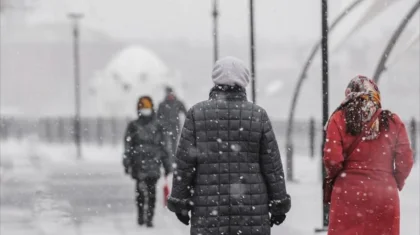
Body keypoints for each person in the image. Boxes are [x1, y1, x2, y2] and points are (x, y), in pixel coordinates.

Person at [167, 56, 291, 235]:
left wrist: (180, 201)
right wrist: (278, 203)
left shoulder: (196, 113)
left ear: (215, 79)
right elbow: (272, 165)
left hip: (208, 209)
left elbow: (185, 164)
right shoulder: (258, 115)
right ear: (244, 81)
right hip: (251, 209)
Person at [323, 75, 414, 235]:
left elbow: (332, 159)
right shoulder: (393, 121)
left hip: (347, 193)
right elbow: (405, 161)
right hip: (384, 193)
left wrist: (341, 178)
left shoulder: (338, 119)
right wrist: (393, 181)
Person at [123, 96, 171, 227]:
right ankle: (141, 215)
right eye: (143, 107)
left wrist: (167, 165)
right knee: (140, 191)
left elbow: (164, 147)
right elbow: (128, 146)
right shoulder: (133, 126)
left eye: (147, 107)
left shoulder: (158, 126)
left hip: (152, 164)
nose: (145, 110)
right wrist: (127, 162)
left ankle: (149, 217)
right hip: (138, 164)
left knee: (151, 192)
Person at [157, 87, 187, 159]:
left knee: (174, 146)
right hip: (165, 128)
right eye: (168, 93)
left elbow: (186, 112)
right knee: (166, 146)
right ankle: (169, 161)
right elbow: (157, 116)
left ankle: (173, 160)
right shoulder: (162, 104)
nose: (170, 95)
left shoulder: (178, 103)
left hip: (175, 128)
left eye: (170, 93)